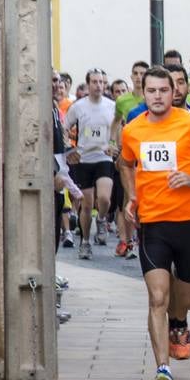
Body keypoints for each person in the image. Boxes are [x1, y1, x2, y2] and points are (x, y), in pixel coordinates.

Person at [119, 67, 190, 380]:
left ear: (174, 91)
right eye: (151, 91)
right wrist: (132, 195)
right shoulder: (133, 130)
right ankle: (163, 370)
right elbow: (125, 163)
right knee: (157, 297)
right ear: (142, 92)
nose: (158, 96)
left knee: (187, 300)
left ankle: (179, 322)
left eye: (164, 90)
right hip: (153, 225)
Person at [64, 69, 118, 260]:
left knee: (104, 198)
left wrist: (114, 145)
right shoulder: (78, 107)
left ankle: (102, 218)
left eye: (102, 82)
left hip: (104, 157)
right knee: (86, 205)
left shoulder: (112, 106)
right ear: (88, 85)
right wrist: (70, 151)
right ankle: (85, 242)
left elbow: (120, 128)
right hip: (84, 159)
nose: (98, 86)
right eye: (94, 82)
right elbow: (64, 128)